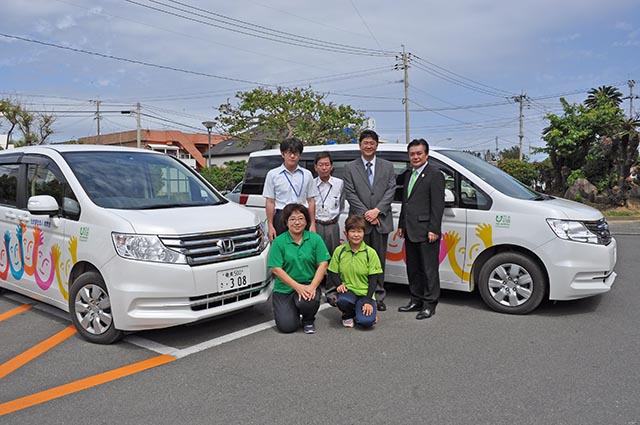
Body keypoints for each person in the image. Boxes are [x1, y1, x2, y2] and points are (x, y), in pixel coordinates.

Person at [342, 129, 396, 312]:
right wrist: (367, 214)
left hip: (381, 221)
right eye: (365, 142)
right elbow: (350, 194)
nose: (369, 146)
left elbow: (391, 190)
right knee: (358, 260)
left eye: (372, 143)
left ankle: (378, 296)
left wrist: (377, 211)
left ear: (377, 145)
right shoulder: (350, 167)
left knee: (378, 261)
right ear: (360, 145)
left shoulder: (388, 166)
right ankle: (359, 294)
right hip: (360, 223)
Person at [397, 138, 445, 320]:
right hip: (410, 229)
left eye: (419, 153)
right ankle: (415, 299)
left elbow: (437, 205)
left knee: (429, 269)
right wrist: (401, 224)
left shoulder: (435, 174)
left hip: (427, 231)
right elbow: (406, 202)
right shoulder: (409, 175)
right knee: (413, 268)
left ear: (426, 154)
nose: (415, 157)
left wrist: (434, 229)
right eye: (412, 154)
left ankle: (429, 304)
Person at [267, 203, 330, 334]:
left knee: (308, 301)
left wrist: (312, 286)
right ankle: (289, 311)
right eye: (292, 219)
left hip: (308, 285)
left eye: (301, 218)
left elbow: (323, 264)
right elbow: (276, 269)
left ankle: (308, 320)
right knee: (287, 327)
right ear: (286, 222)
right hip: (284, 289)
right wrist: (298, 287)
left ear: (306, 221)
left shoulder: (315, 239)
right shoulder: (279, 242)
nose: (297, 222)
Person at [328, 215, 382, 328]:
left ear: (364, 233)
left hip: (365, 294)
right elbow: (332, 272)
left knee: (366, 322)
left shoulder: (370, 253)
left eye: (359, 231)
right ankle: (347, 314)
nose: (356, 235)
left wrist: (368, 300)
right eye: (352, 231)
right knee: (342, 301)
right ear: (347, 233)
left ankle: (367, 312)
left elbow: (373, 279)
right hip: (348, 291)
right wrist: (339, 285)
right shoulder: (340, 251)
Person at [263, 138, 318, 241]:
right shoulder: (273, 174)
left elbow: (311, 201)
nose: (292, 156)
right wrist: (270, 225)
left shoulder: (307, 174)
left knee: (303, 248)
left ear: (300, 155)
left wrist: (313, 224)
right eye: (289, 153)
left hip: (302, 217)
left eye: (295, 153)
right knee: (282, 249)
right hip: (281, 217)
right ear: (283, 154)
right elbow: (270, 201)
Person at [313, 151, 344, 305]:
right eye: (320, 165)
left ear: (331, 167)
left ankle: (331, 292)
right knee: (315, 259)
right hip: (316, 225)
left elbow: (342, 205)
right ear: (315, 167)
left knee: (333, 260)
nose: (324, 167)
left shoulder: (339, 183)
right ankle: (315, 290)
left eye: (327, 164)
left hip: (332, 225)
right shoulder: (311, 184)